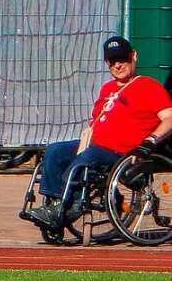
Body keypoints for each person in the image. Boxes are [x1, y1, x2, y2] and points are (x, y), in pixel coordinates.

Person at [28, 36, 172, 230]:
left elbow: (169, 118)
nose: (118, 65)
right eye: (113, 62)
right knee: (55, 151)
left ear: (134, 56)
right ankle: (55, 204)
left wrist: (150, 141)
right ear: (107, 63)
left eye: (123, 59)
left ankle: (69, 207)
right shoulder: (107, 88)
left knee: (87, 158)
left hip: (122, 152)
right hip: (95, 145)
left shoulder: (149, 86)